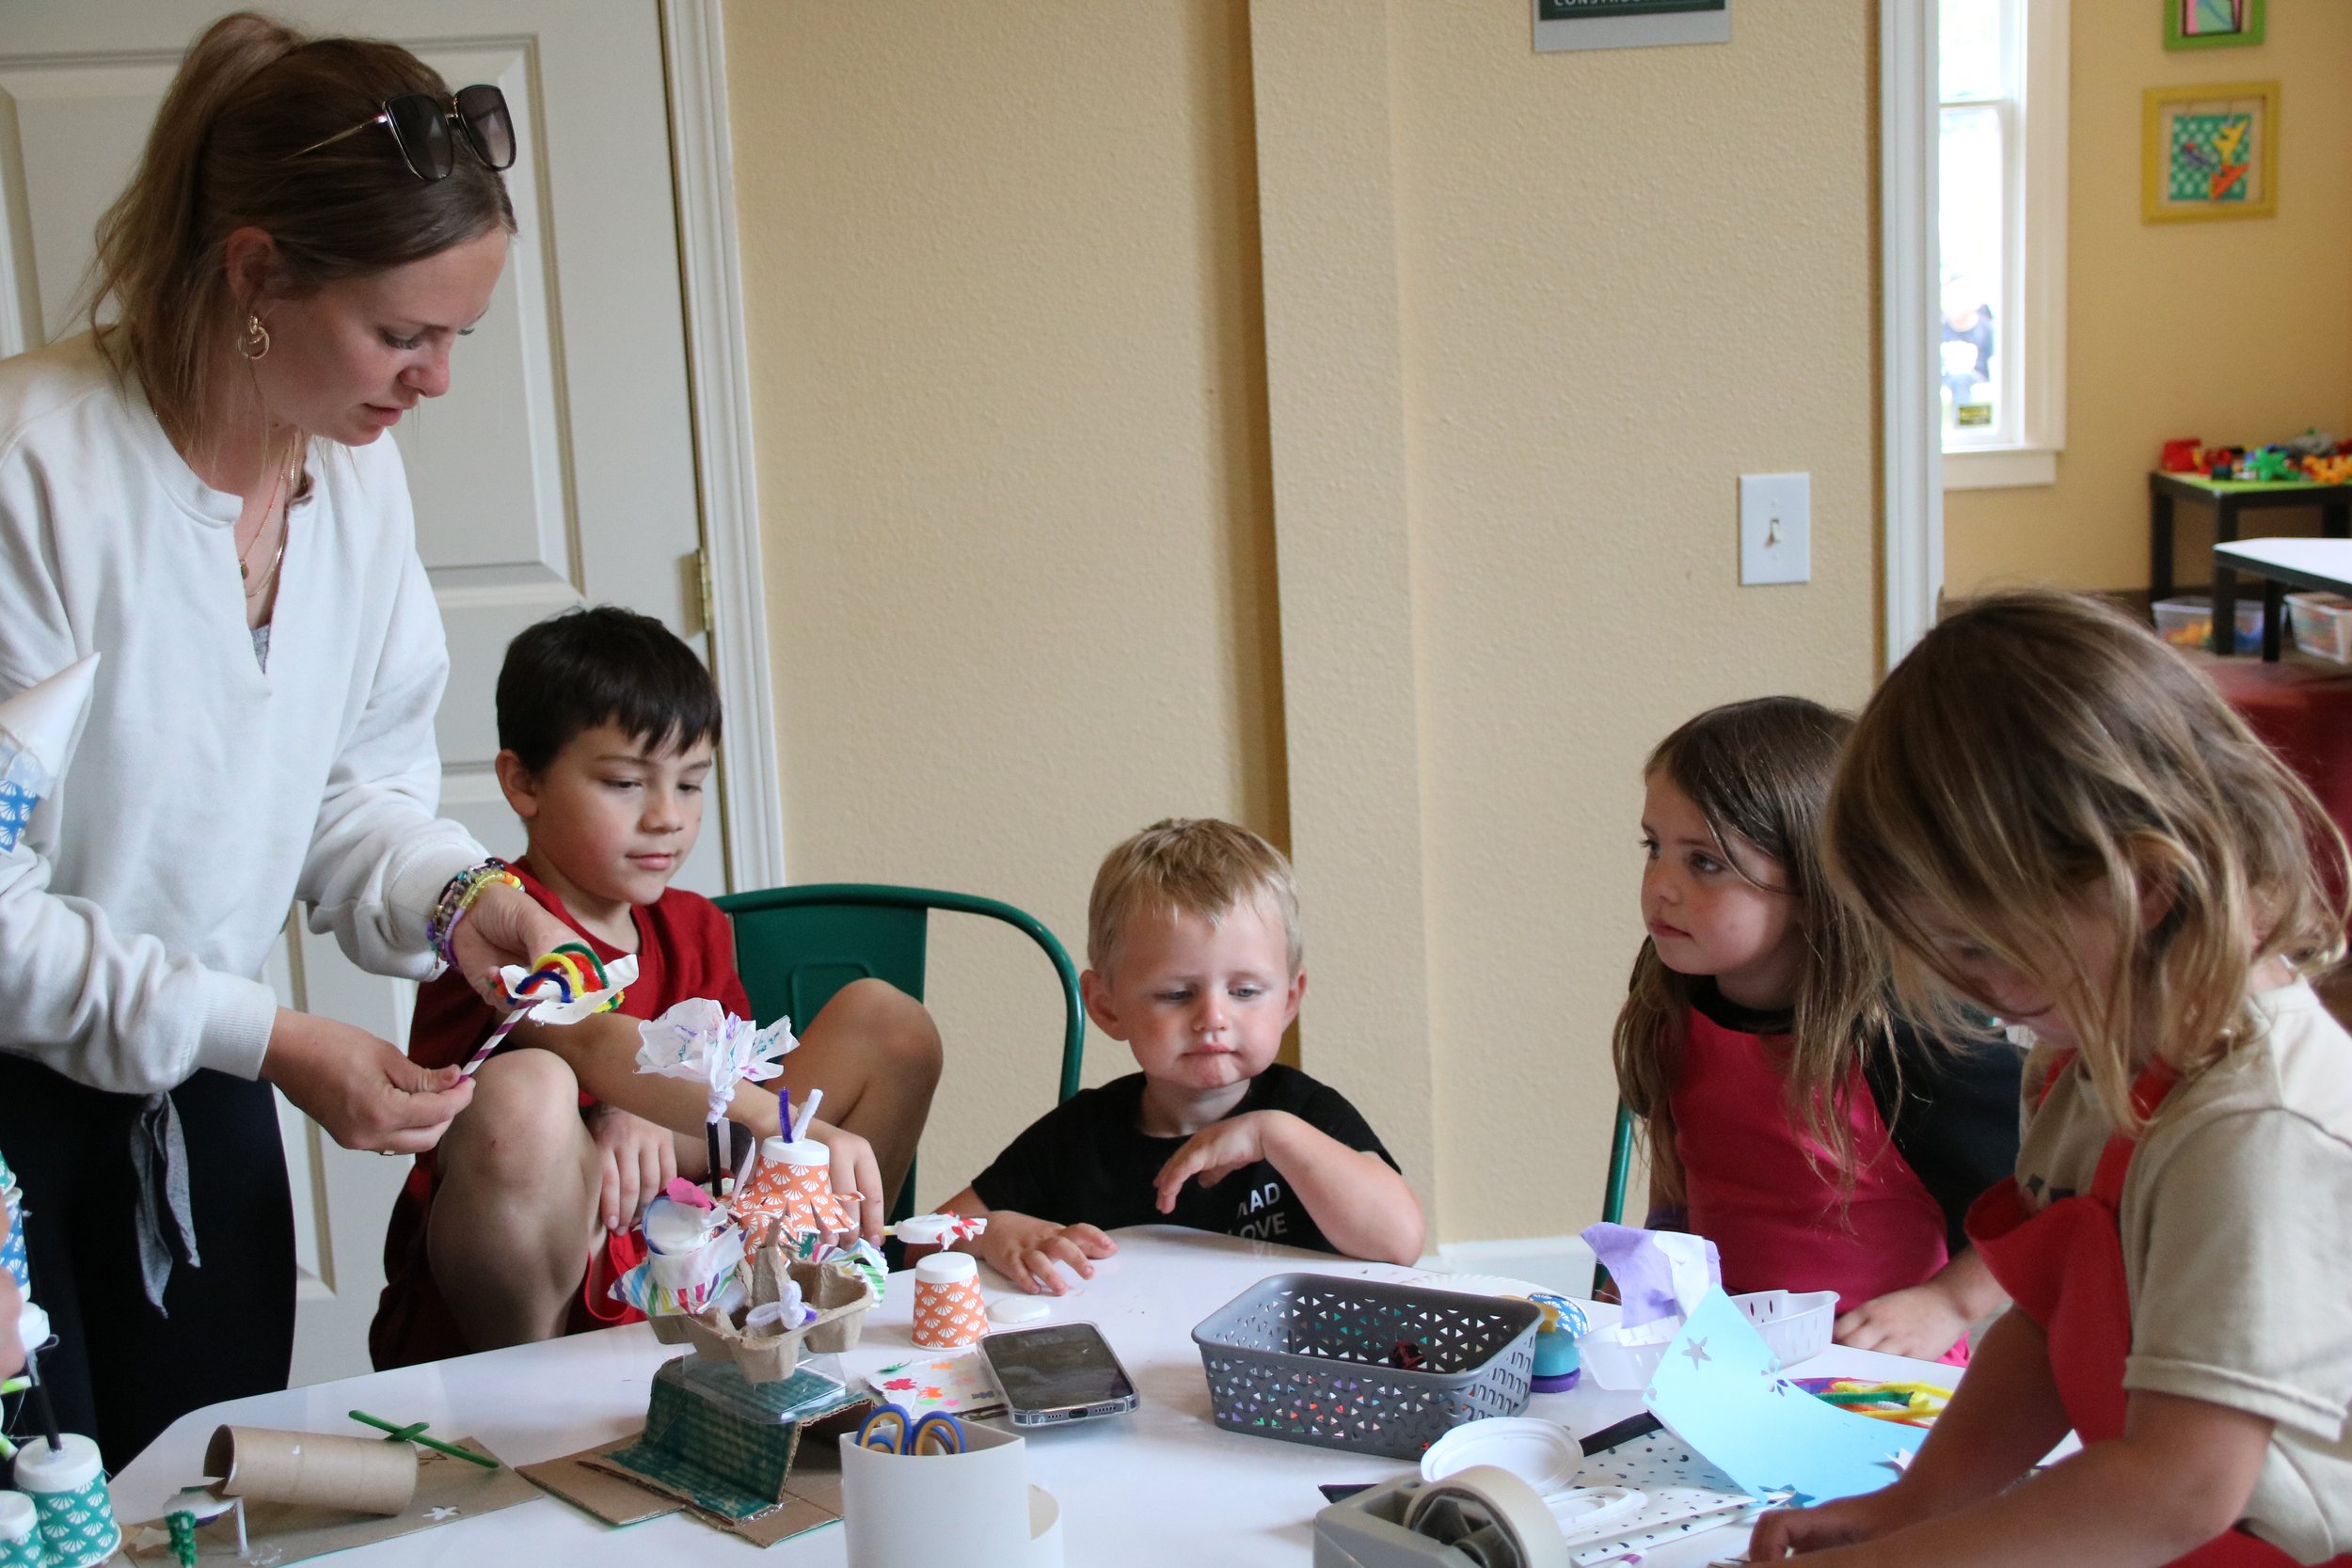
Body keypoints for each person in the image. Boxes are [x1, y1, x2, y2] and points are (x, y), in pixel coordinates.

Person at [0, 13, 595, 1467]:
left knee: (198, 1500)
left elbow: (351, 789)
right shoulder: (33, 470)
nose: (437, 380)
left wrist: (460, 895)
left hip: (199, 1099)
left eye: (459, 335)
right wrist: (266, 1034)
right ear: (256, 271)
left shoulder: (352, 488)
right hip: (23, 1118)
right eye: (403, 333)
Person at [1755, 590, 2352, 1567]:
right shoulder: (2086, 1060)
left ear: (2144, 881)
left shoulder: (2257, 1127)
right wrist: (1920, 1502)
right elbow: (2044, 1323)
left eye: (1980, 944)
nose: (1961, 980)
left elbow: (2179, 1484)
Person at [370, 607, 940, 1368]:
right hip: (528, 1286)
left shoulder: (695, 926)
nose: (667, 816)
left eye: (692, 783)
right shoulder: (492, 922)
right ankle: (522, 1393)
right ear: (523, 781)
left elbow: (722, 1125)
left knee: (888, 1021)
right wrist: (631, 1102)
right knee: (528, 1088)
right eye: (624, 782)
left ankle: (823, 1307)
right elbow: (586, 1042)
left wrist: (670, 1116)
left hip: (686, 1265)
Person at [1617, 697, 2017, 1364]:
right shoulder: (1673, 994)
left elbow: (2046, 1199)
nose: (1660, 885)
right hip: (1720, 1356)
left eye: (1705, 862)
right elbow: (1682, 1157)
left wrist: (1950, 1303)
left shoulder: (1905, 1037)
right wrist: (1656, 1263)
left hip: (1874, 1375)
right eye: (1654, 847)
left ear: (1815, 880)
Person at [937, 818, 1422, 1293]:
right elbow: (922, 1242)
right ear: (1107, 1007)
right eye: (1175, 995)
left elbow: (1401, 1243)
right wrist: (993, 1233)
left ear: (1289, 1001)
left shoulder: (1304, 1117)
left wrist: (1271, 1134)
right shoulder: (1078, 1136)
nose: (1213, 1017)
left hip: (1288, 1365)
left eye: (1246, 991)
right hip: (1127, 1366)